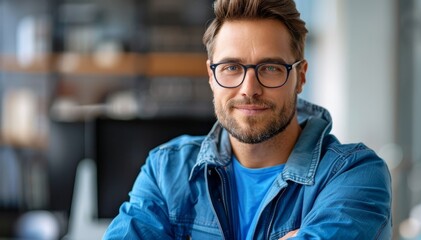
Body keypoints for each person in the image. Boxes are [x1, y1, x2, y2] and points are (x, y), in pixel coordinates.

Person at [103, 0, 392, 239]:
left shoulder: (354, 175)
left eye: (270, 68)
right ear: (211, 76)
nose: (249, 89)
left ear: (300, 77)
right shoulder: (168, 170)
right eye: (231, 67)